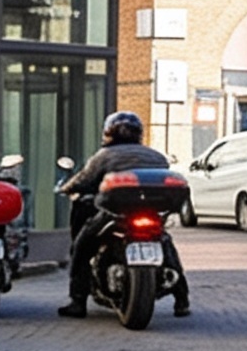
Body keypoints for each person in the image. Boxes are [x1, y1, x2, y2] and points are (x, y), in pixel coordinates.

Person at [56, 110, 191, 318]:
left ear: (108, 133)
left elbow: (84, 180)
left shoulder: (104, 156)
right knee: (166, 244)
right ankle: (182, 299)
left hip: (116, 214)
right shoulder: (156, 156)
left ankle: (78, 300)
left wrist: (66, 188)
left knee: (82, 246)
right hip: (151, 212)